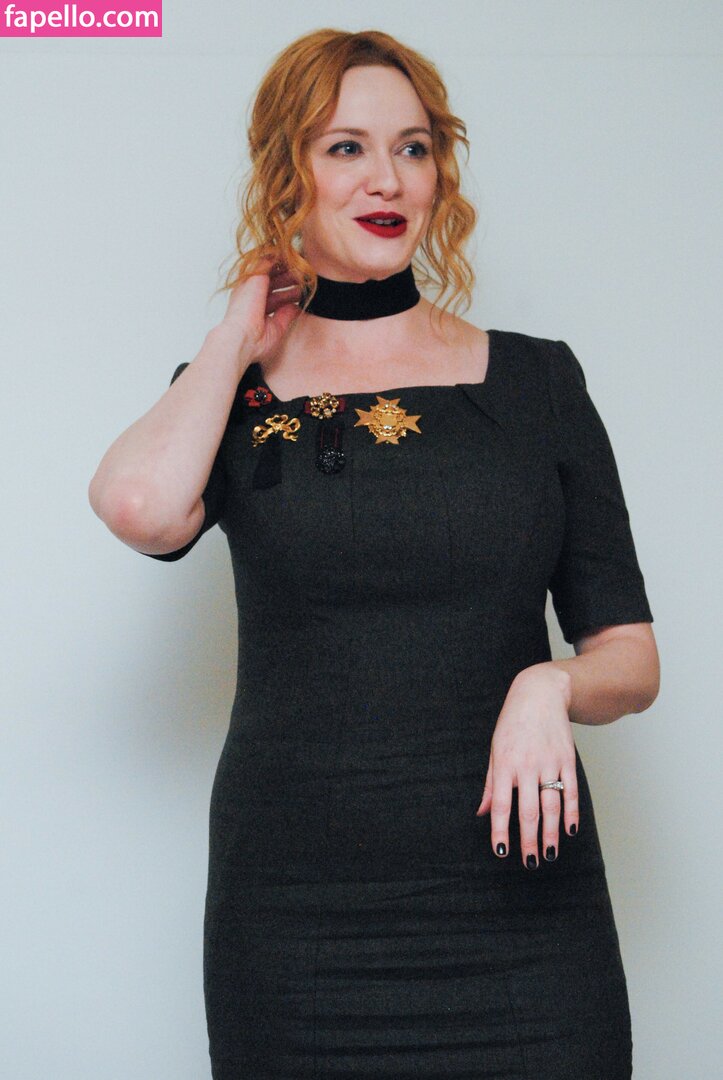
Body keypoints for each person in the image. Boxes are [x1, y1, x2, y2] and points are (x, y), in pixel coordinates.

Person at [89, 27, 660, 1080]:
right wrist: (235, 337)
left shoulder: (537, 383)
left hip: (526, 916)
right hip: (294, 922)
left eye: (413, 147)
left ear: (440, 171)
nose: (387, 178)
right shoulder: (231, 391)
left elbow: (630, 657)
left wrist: (549, 682)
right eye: (345, 147)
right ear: (288, 171)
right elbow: (137, 507)